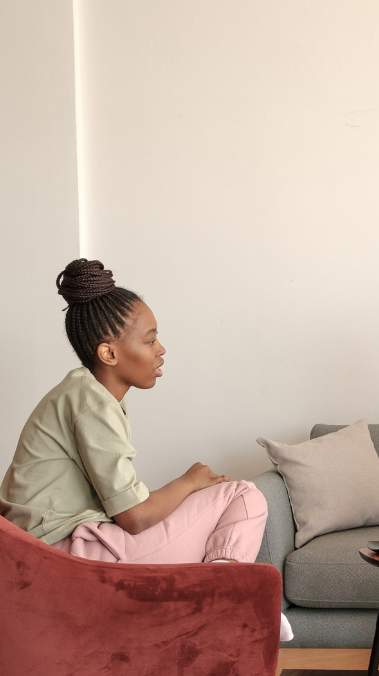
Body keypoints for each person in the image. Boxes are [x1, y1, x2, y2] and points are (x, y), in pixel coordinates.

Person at [0, 258, 292, 642]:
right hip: (68, 559)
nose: (161, 350)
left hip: (65, 550)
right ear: (109, 353)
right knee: (244, 496)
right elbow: (134, 517)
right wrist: (188, 482)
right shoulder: (92, 402)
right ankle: (228, 596)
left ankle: (222, 591)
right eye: (150, 339)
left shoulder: (85, 394)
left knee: (227, 503)